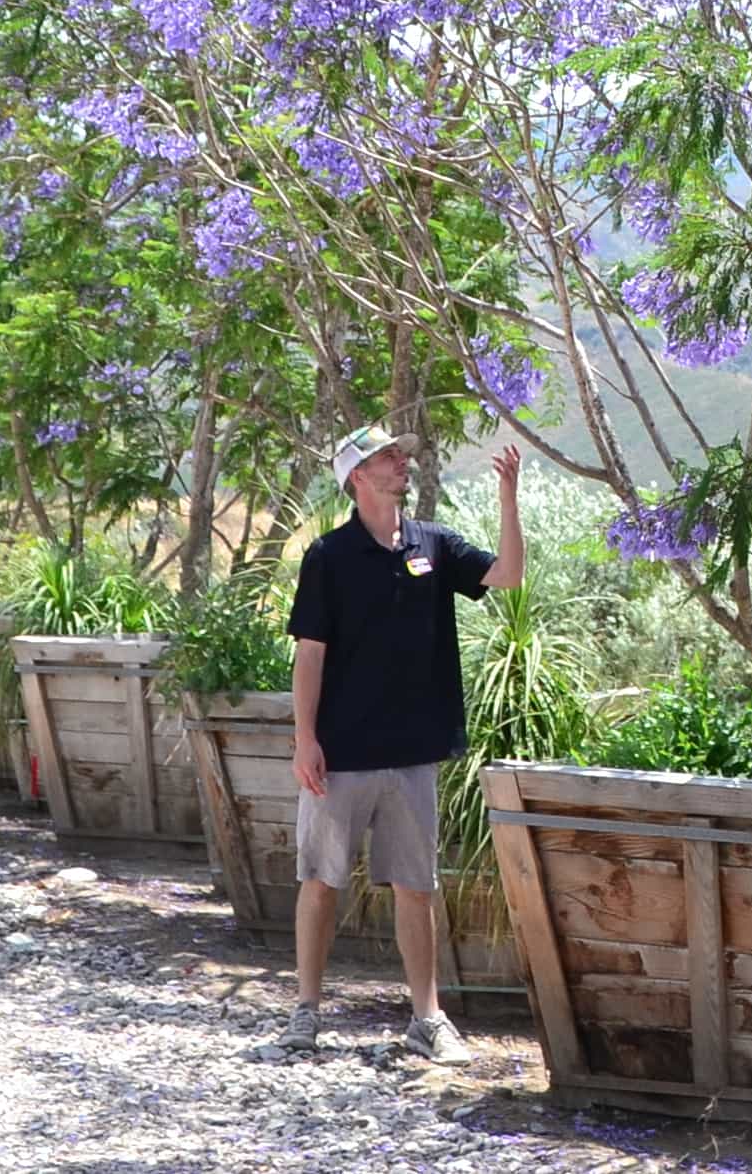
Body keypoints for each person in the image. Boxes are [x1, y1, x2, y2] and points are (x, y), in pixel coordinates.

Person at [279, 423, 524, 1059]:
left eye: (400, 456)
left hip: (414, 754)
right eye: (387, 457)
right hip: (341, 754)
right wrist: (305, 740)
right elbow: (310, 655)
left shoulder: (433, 545)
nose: (400, 465)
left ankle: (428, 1019)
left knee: (418, 886)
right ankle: (306, 1011)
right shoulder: (327, 557)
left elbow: (508, 576)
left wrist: (508, 498)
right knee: (321, 880)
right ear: (357, 477)